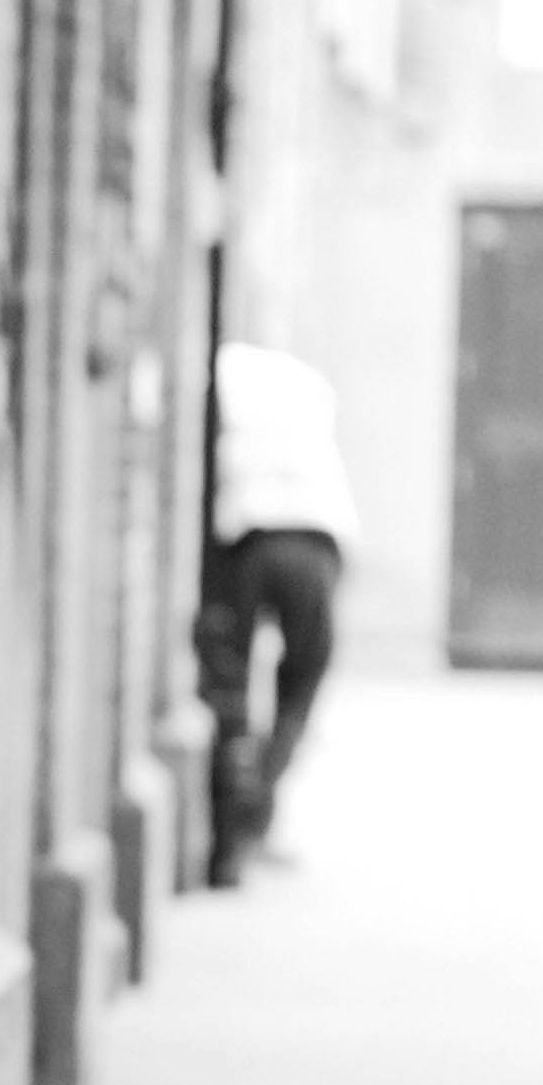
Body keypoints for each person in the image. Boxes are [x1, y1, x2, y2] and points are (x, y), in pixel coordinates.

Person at [200, 338, 360, 884]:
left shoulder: (223, 374)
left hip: (246, 534)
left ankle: (228, 840)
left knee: (230, 685)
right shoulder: (304, 382)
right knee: (303, 679)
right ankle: (258, 803)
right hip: (315, 540)